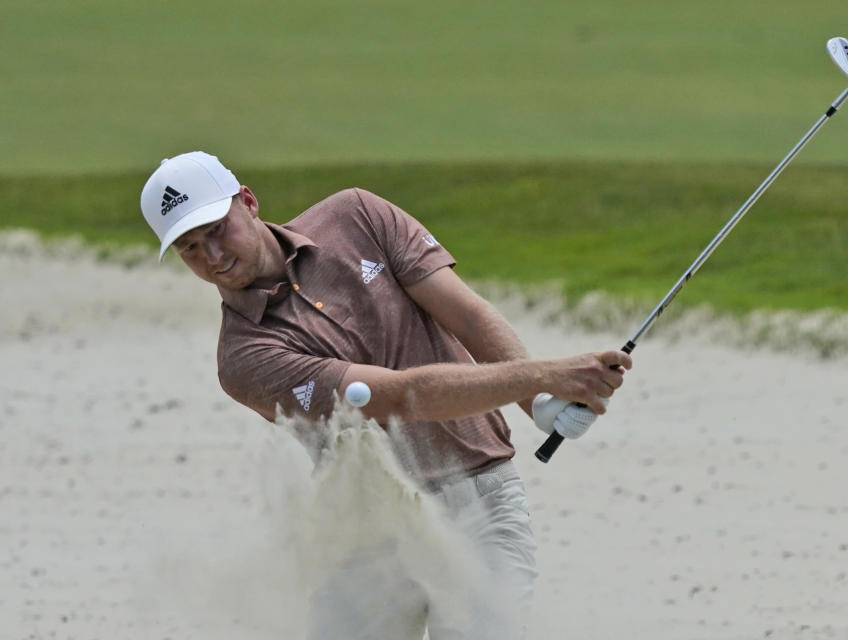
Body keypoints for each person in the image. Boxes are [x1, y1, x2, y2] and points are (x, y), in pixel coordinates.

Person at [140, 151, 631, 639]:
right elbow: (402, 400)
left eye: (217, 230)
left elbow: (467, 316)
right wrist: (546, 376)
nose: (213, 257)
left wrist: (539, 404)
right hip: (367, 534)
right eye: (190, 248)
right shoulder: (245, 358)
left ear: (247, 201)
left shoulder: (356, 216)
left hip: (482, 507)